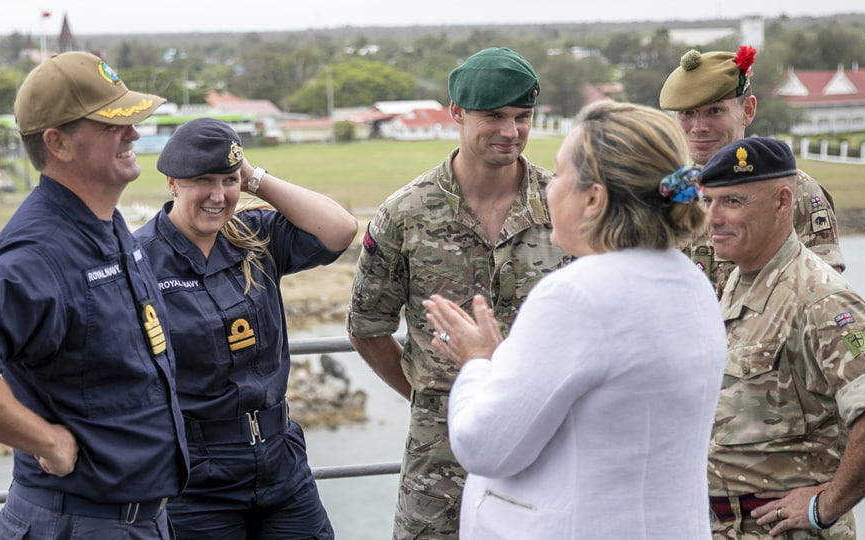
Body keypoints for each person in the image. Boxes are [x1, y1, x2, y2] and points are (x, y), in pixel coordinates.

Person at [423, 100, 727, 539]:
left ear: (593, 198)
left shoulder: (577, 295)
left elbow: (485, 447)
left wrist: (478, 362)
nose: (548, 189)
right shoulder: (689, 281)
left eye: (561, 174)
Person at [0, 51, 188, 538]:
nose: (133, 134)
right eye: (113, 125)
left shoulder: (103, 224)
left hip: (136, 520)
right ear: (58, 143)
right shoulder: (42, 252)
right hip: (80, 522)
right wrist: (46, 441)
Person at [346, 47, 569, 539]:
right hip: (439, 460)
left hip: (544, 447)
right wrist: (428, 396)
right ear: (457, 114)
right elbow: (367, 328)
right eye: (494, 116)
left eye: (522, 116)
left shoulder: (564, 208)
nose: (511, 132)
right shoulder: (405, 213)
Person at [133, 117, 356, 539]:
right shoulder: (139, 263)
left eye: (228, 180)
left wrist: (252, 177)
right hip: (197, 480)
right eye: (203, 180)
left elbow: (340, 230)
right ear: (171, 182)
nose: (218, 196)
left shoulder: (254, 237)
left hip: (281, 463)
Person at [699, 137, 865, 538]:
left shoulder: (817, 296)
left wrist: (826, 506)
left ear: (782, 202)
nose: (713, 219)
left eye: (732, 202)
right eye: (708, 202)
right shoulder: (743, 277)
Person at [659, 46, 845, 295]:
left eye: (715, 111)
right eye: (687, 113)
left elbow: (824, 289)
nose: (699, 127)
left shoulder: (793, 190)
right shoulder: (665, 192)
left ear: (747, 110)